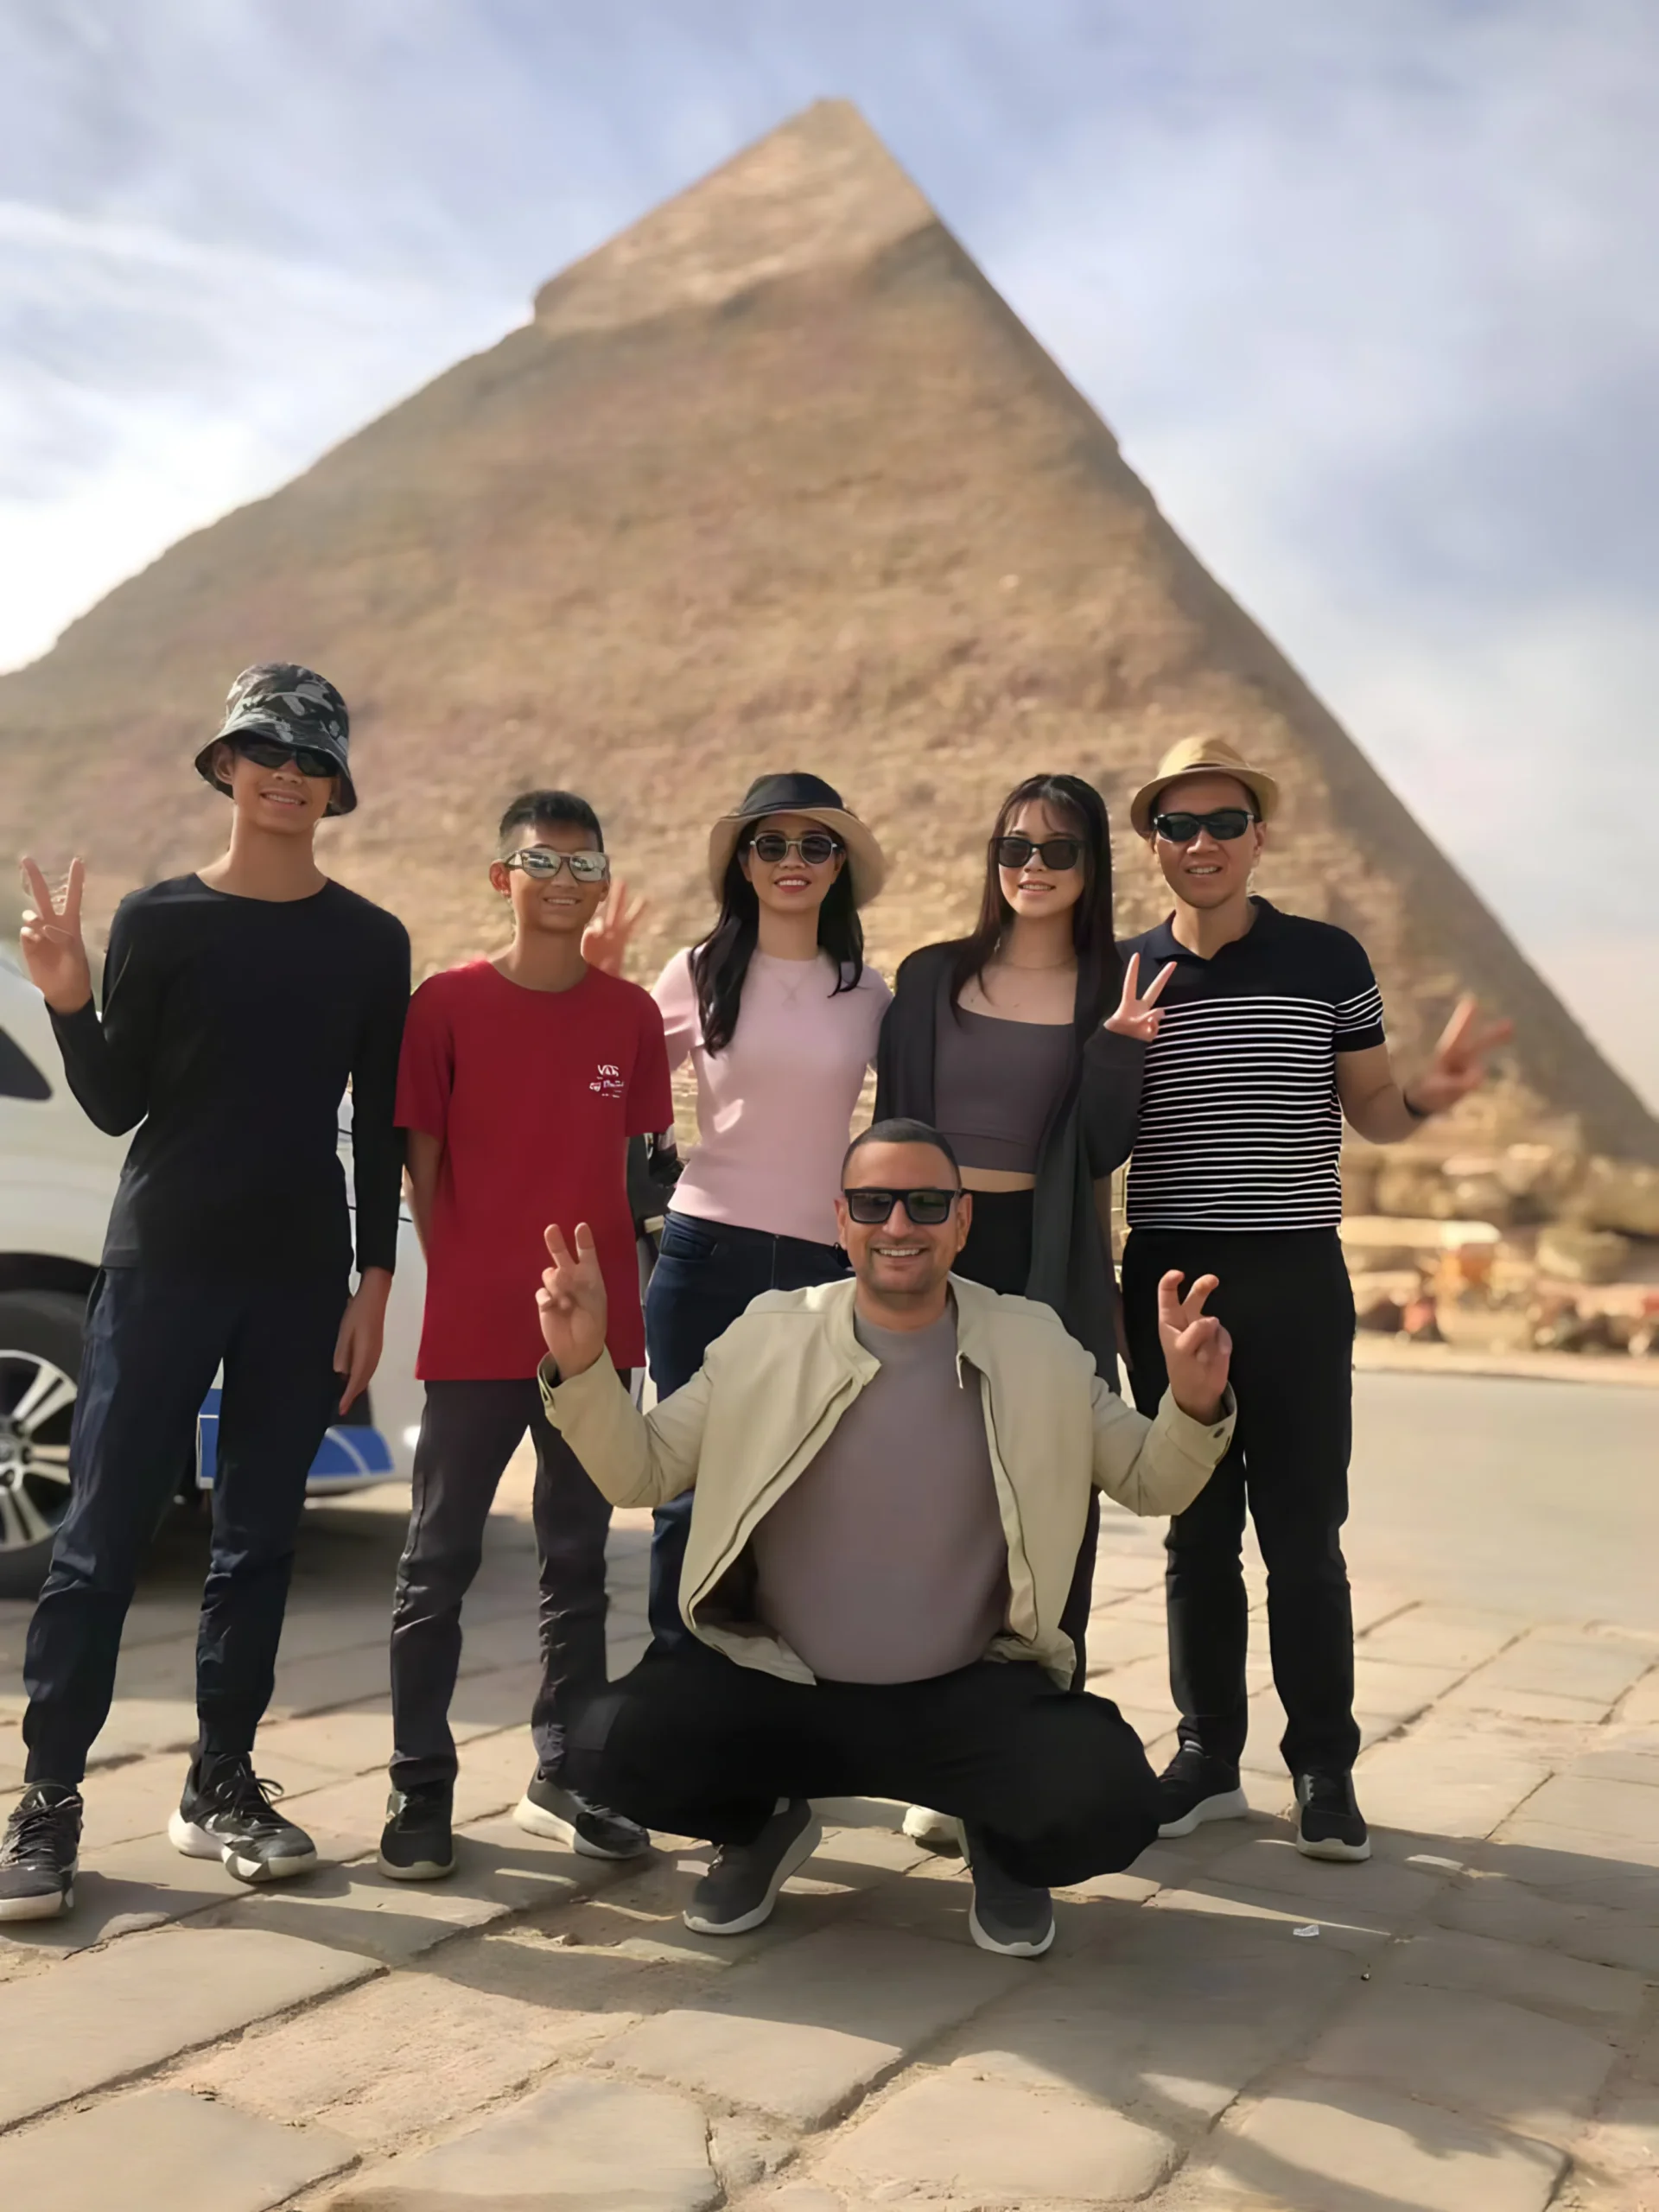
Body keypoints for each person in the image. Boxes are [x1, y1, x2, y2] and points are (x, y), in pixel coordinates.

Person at [533, 1121, 1236, 1960]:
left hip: (966, 1694)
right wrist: (582, 1367)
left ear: (963, 1222)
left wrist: (1192, 1406)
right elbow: (640, 1474)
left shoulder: (1036, 1344)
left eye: (926, 1203)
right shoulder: (767, 1333)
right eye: (874, 1203)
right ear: (841, 1219)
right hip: (783, 1686)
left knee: (1113, 1792)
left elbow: (1151, 1481)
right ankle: (763, 1822)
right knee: (604, 1741)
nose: (899, 1224)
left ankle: (1000, 1838)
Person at [0, 664, 410, 1923]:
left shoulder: (370, 941)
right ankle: (48, 1800)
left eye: (312, 755)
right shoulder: (161, 921)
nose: (288, 771)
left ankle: (221, 1781)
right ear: (226, 764)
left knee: (258, 1543)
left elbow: (379, 1123)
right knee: (101, 1539)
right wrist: (70, 996)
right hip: (162, 1263)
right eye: (264, 746)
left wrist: (373, 1279)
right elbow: (119, 1103)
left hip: (298, 1277)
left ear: (335, 785)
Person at [1118, 735, 1514, 1864]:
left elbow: (1372, 1112)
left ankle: (1322, 1771)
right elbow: (1093, 1128)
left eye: (1224, 823)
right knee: (1195, 1536)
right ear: (1153, 843)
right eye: (1179, 826)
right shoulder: (1128, 973)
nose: (1203, 845)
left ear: (1261, 835)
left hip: (1295, 1267)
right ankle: (1204, 1762)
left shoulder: (1329, 959)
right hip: (1170, 1268)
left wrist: (1426, 1097)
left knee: (1304, 1535)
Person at [378, 791, 672, 1880]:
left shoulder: (631, 1015)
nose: (561, 877)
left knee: (578, 1561)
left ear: (601, 880)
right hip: (474, 1326)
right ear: (500, 877)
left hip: (598, 1332)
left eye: (581, 861)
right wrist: (472, 1270)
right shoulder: (445, 1004)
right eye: (538, 859)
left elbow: (637, 1167)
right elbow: (422, 1163)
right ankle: (419, 1788)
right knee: (437, 1562)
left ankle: (568, 1773)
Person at [875, 772, 1171, 1849]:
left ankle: (1029, 1746)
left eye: (1058, 850)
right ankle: (940, 1754)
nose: (1032, 868)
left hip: (1047, 1264)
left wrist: (1118, 1052)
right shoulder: (928, 977)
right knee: (937, 1503)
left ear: (1093, 867)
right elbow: (892, 1125)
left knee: (1050, 1514)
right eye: (1013, 847)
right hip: (933, 1256)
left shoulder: (1116, 989)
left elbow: (1100, 1150)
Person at [643, 772, 890, 1649]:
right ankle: (677, 1709)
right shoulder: (694, 971)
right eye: (771, 844)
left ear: (839, 867)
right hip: (707, 1253)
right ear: (742, 864)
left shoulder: (869, 992)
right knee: (688, 1494)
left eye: (814, 845)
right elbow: (613, 1077)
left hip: (824, 1269)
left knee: (795, 1504)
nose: (792, 861)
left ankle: (774, 1737)